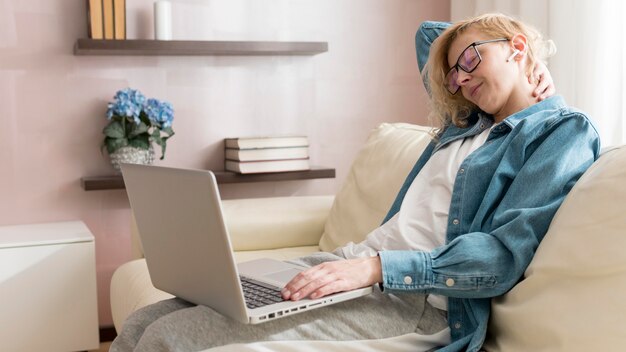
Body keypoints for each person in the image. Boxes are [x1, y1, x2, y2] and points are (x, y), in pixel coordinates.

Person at [111, 14, 600, 352]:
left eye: (469, 62)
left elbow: (502, 256)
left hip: (412, 301)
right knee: (144, 322)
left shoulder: (561, 132)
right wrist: (499, 52)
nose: (459, 80)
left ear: (515, 48)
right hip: (348, 270)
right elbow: (429, 37)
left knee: (171, 340)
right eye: (453, 74)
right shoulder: (466, 125)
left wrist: (375, 269)